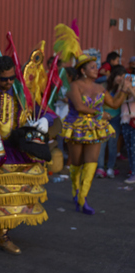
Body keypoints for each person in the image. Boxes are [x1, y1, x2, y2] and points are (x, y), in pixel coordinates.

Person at [0, 55, 57, 255]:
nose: (8, 82)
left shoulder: (23, 92)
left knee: (16, 193)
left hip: (19, 149)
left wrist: (44, 121)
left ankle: (3, 230)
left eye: (11, 78)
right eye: (3, 79)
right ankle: (1, 235)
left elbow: (48, 111)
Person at [61, 55, 129, 214]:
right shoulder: (74, 86)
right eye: (92, 67)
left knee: (91, 163)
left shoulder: (100, 88)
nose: (96, 69)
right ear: (83, 71)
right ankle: (75, 191)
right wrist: (100, 114)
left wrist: (124, 89)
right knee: (76, 164)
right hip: (76, 126)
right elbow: (79, 107)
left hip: (95, 129)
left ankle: (83, 199)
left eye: (96, 66)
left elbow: (114, 103)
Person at [96, 65, 127, 178]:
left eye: (123, 76)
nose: (120, 78)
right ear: (114, 75)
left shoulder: (123, 88)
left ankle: (110, 168)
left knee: (113, 144)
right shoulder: (104, 85)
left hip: (116, 117)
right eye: (119, 75)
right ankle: (100, 168)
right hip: (103, 117)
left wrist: (122, 88)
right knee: (102, 143)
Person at [120, 83, 135, 184]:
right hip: (125, 122)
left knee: (134, 149)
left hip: (133, 122)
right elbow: (117, 100)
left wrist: (130, 87)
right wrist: (122, 87)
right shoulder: (123, 90)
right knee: (129, 149)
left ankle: (134, 173)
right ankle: (132, 171)